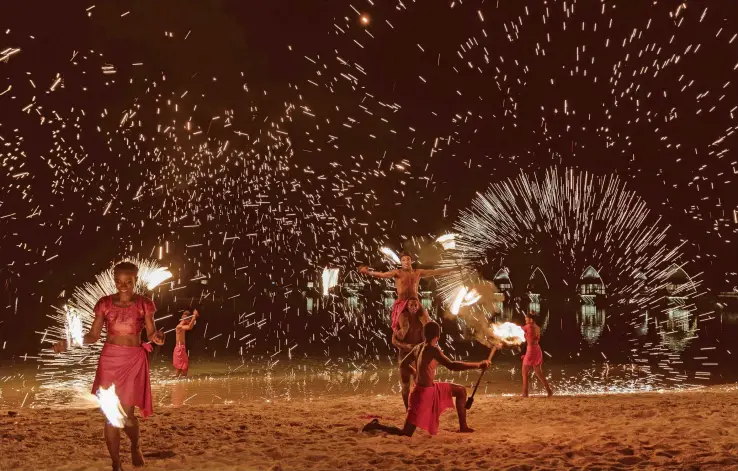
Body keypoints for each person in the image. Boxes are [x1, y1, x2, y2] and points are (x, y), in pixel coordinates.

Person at [53, 261, 165, 471]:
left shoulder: (144, 304)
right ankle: (116, 463)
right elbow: (94, 336)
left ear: (135, 280)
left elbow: (151, 333)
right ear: (114, 281)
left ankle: (135, 446)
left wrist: (157, 338)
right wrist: (68, 343)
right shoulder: (104, 303)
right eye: (118, 281)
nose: (123, 285)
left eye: (128, 281)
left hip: (133, 361)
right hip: (110, 361)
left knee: (129, 416)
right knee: (110, 414)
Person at [363, 321, 490, 436]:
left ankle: (464, 427)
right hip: (421, 395)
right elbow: (452, 366)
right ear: (438, 336)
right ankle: (376, 425)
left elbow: (403, 364)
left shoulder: (418, 347)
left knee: (461, 391)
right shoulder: (433, 350)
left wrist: (415, 374)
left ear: (424, 335)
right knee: (405, 433)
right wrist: (478, 365)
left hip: (432, 389)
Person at [358, 252, 456, 331]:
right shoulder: (397, 272)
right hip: (402, 303)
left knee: (428, 324)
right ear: (401, 262)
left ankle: (427, 347)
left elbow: (434, 272)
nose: (406, 262)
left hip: (415, 302)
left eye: (408, 259)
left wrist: (453, 269)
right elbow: (382, 275)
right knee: (405, 327)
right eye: (403, 260)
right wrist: (368, 272)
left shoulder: (417, 272)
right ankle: (401, 343)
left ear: (411, 261)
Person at [391, 297, 430, 410]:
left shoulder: (421, 319)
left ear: (418, 307)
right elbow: (394, 340)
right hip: (405, 353)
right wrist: (406, 346)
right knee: (405, 383)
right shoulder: (402, 318)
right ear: (407, 307)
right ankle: (407, 409)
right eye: (411, 305)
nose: (413, 307)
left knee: (420, 381)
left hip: (418, 353)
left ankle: (420, 406)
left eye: (415, 305)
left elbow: (428, 338)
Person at [521, 311, 553, 398]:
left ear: (531, 319)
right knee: (538, 372)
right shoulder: (537, 327)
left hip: (531, 350)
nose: (525, 319)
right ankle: (549, 391)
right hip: (537, 349)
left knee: (524, 372)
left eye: (526, 318)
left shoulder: (529, 326)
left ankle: (525, 393)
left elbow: (517, 330)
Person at [173, 309, 199, 378]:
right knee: (184, 368)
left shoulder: (181, 326)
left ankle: (178, 385)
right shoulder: (179, 326)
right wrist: (194, 317)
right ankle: (181, 385)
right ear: (185, 319)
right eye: (189, 320)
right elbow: (190, 327)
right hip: (180, 348)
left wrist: (194, 318)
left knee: (179, 369)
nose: (189, 321)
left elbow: (190, 325)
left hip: (180, 348)